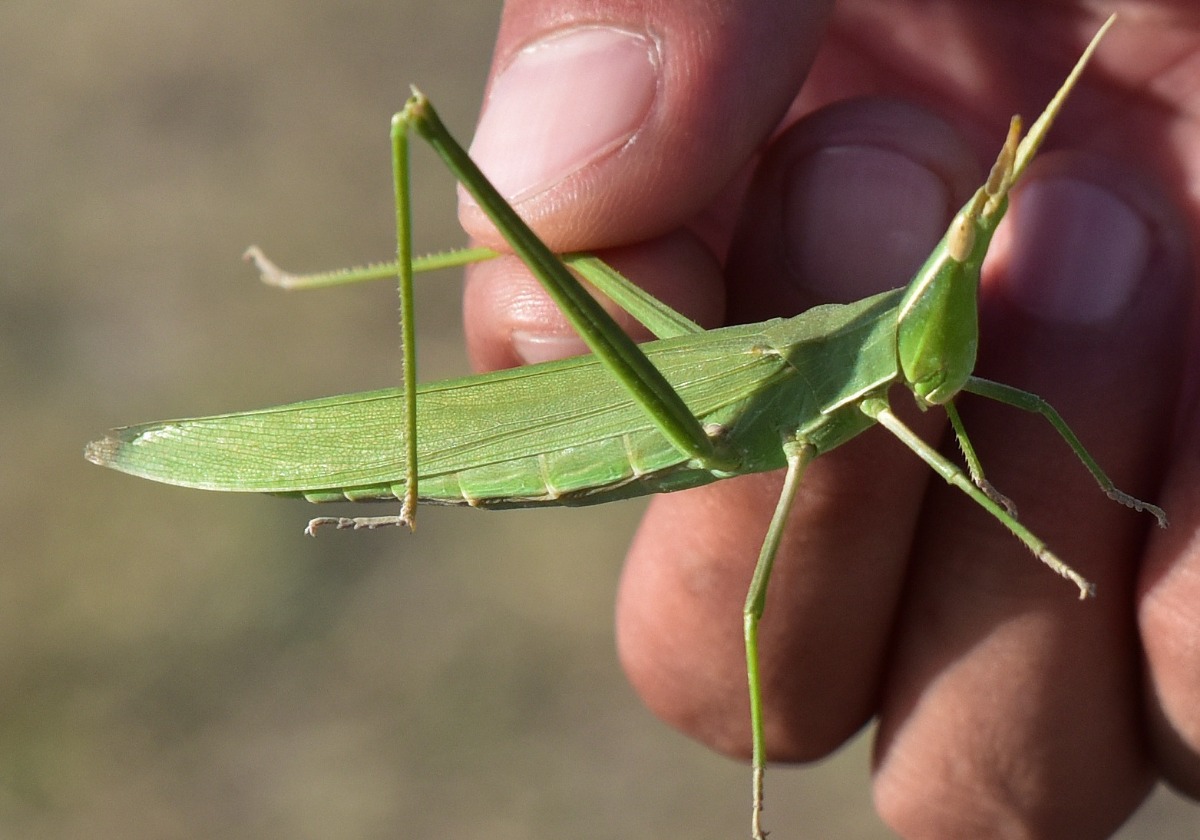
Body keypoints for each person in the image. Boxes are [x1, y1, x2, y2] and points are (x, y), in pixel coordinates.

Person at [457, 2, 1199, 836]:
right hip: (682, 423)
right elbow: (940, 445)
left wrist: (1113, 494)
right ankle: (757, 793)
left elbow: (956, 390)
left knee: (1027, 403)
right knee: (749, 604)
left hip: (747, 396)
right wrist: (1042, 547)